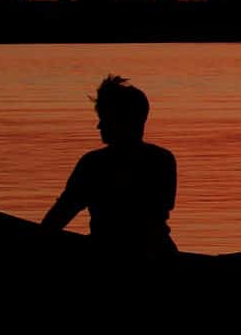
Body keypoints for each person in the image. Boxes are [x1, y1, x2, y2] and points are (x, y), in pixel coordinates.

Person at [42, 75, 178, 257]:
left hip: (106, 253)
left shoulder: (93, 164)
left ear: (122, 121)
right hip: (161, 253)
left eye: (104, 118)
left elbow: (59, 216)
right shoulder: (163, 160)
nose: (99, 126)